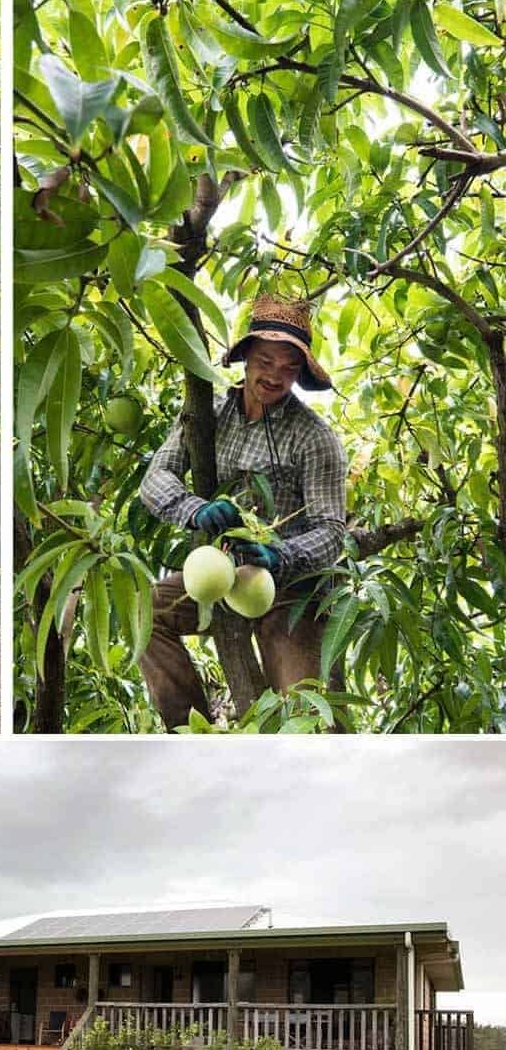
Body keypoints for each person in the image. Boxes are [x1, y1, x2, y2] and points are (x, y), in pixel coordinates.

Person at [138, 294, 348, 730]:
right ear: (247, 357)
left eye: (289, 367)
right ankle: (189, 730)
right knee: (147, 609)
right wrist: (195, 510)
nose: (275, 375)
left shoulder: (313, 437)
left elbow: (332, 531)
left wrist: (280, 555)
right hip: (222, 573)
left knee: (305, 717)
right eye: (267, 360)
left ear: (301, 373)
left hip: (290, 593)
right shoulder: (207, 413)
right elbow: (155, 477)